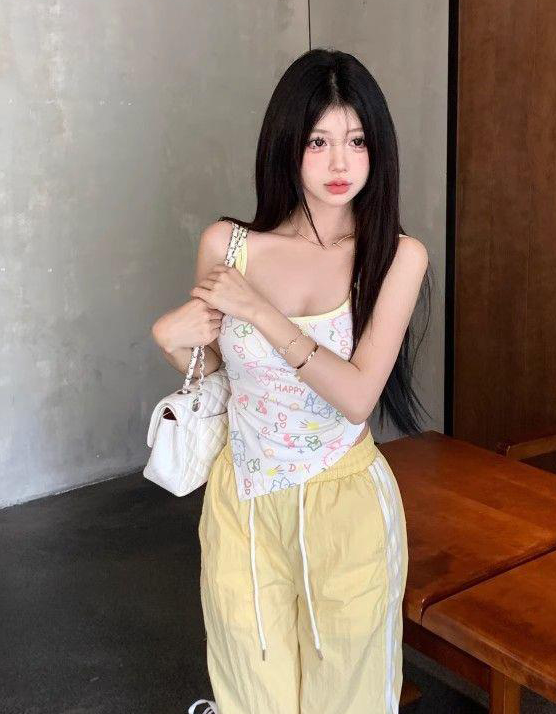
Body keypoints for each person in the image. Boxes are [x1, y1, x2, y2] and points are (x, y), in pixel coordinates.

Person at [151, 48, 432, 714]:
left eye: (357, 141)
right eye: (318, 141)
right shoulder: (228, 246)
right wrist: (170, 340)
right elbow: (227, 374)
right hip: (243, 500)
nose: (340, 163)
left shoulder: (397, 256)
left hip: (344, 503)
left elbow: (357, 396)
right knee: (252, 688)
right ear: (288, 144)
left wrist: (261, 312)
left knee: (350, 696)